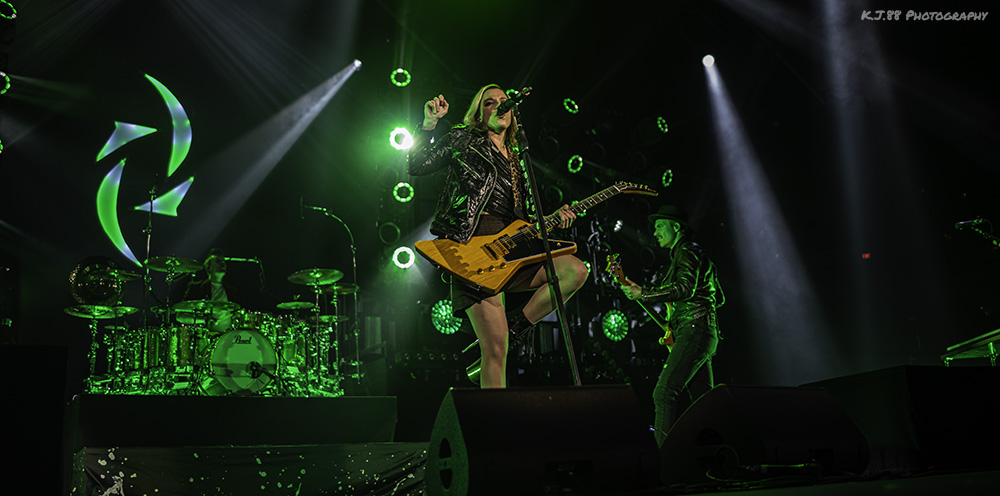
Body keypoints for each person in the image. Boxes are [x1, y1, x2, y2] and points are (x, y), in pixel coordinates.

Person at [407, 84, 589, 388]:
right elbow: (417, 165)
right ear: (479, 114)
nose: (499, 106)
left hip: (512, 248)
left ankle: (516, 329)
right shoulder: (464, 139)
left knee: (574, 270)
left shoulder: (519, 156)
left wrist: (553, 219)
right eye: (490, 103)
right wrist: (428, 125)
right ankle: (494, 415)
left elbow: (522, 218)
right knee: (495, 351)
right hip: (472, 246)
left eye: (504, 101)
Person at [620, 205, 724, 446]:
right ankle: (715, 455)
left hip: (694, 330)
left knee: (664, 393)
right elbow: (718, 297)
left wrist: (645, 293)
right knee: (704, 402)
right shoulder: (692, 253)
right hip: (703, 330)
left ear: (676, 227)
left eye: (659, 226)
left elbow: (685, 288)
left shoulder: (687, 251)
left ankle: (663, 458)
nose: (655, 232)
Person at [181, 248, 238, 333]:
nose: (222, 264)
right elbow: (180, 316)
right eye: (217, 261)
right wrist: (204, 320)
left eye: (223, 261)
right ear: (208, 268)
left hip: (229, 336)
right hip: (205, 336)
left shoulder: (232, 291)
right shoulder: (196, 287)